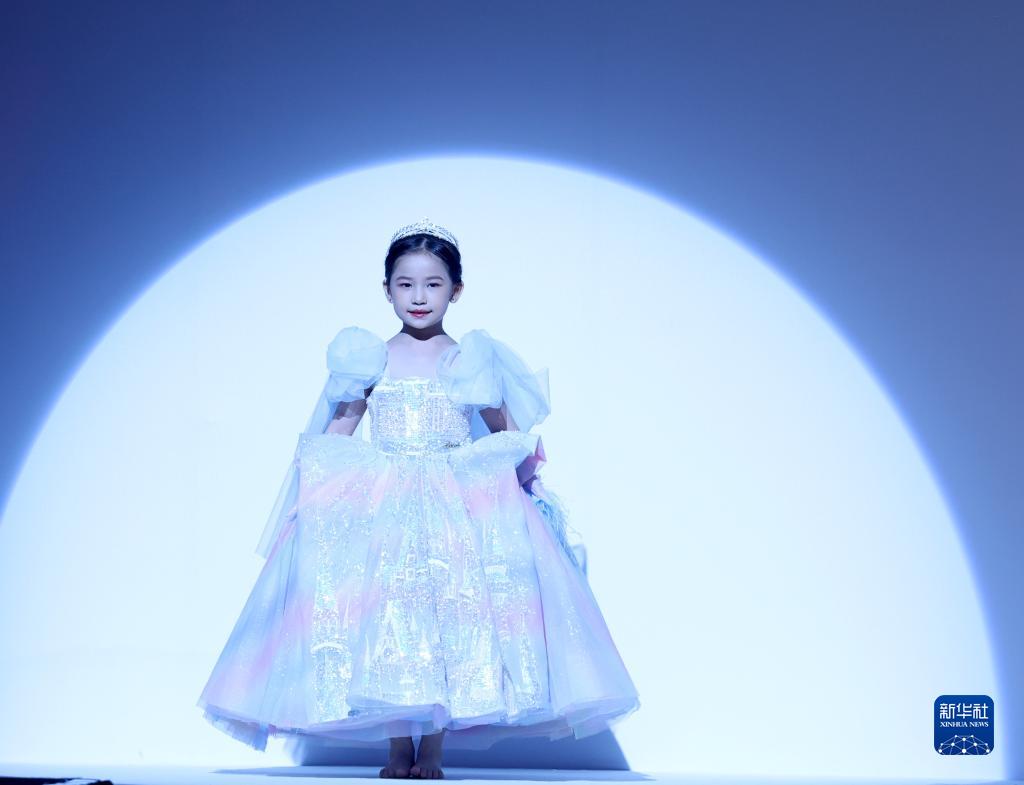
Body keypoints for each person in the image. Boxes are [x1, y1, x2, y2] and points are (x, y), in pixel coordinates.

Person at [196, 218, 640, 778]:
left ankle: (432, 747)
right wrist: (316, 491)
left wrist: (526, 485)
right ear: (387, 290)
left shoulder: (469, 358)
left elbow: (502, 429)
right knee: (389, 615)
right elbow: (343, 426)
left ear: (457, 289)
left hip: (451, 500)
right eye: (405, 284)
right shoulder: (368, 358)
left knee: (449, 613)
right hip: (386, 500)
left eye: (433, 284)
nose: (419, 296)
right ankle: (396, 747)